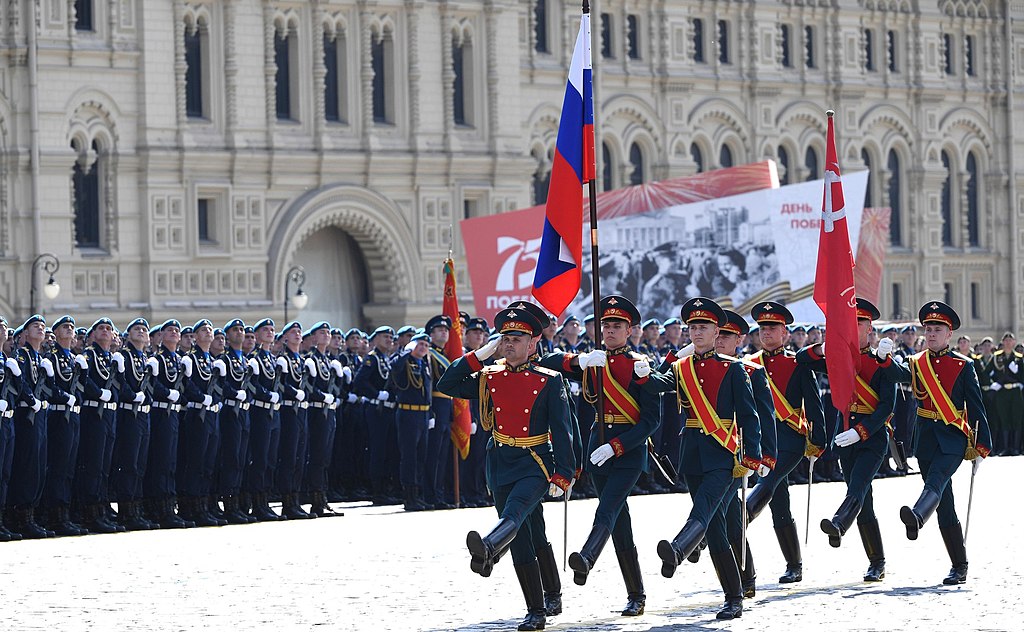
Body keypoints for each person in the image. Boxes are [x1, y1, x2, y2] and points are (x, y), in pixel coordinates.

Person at [437, 307, 574, 632]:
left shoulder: (549, 380)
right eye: (505, 338)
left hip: (535, 463)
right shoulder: (490, 377)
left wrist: (565, 473)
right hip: (500, 463)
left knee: (514, 516)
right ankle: (550, 594)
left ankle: (492, 553)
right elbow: (448, 381)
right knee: (530, 532)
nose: (509, 344)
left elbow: (565, 431)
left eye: (517, 339)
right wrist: (481, 354)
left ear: (533, 342)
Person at [545, 295, 665, 617]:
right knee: (620, 523)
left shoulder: (640, 365)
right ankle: (637, 594)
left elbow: (651, 421)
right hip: (597, 449)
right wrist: (579, 362)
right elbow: (549, 361)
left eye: (617, 326)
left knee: (608, 507)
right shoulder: (593, 360)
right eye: (606, 325)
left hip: (627, 451)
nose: (610, 330)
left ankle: (586, 557)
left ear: (629, 331)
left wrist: (617, 446)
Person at [653, 297, 762, 620]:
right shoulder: (681, 367)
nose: (697, 332)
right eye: (693, 327)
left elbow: (749, 415)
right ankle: (735, 594)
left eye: (703, 327)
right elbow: (659, 385)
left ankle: (679, 549)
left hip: (724, 455)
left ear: (717, 332)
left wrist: (753, 456)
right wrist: (646, 371)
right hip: (693, 456)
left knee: (703, 510)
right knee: (716, 529)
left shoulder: (733, 369)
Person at [797, 298, 900, 582]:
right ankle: (876, 561)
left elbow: (886, 406)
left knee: (858, 486)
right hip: (844, 436)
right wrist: (823, 347)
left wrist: (862, 431)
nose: (854, 328)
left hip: (872, 437)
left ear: (870, 329)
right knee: (864, 501)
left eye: (859, 323)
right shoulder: (839, 358)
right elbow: (801, 360)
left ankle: (840, 523)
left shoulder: (883, 360)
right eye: (850, 322)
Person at [895, 301, 991, 585]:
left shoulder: (963, 365)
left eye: (938, 329)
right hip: (925, 438)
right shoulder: (916, 363)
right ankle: (959, 565)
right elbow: (893, 375)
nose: (932, 333)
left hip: (953, 438)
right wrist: (883, 358)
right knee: (945, 503)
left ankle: (917, 515)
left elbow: (976, 407)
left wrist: (982, 445)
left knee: (935, 482)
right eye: (929, 329)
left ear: (949, 335)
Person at [742, 301, 825, 585]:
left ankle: (741, 518)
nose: (766, 333)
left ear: (785, 332)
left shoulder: (797, 364)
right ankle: (794, 564)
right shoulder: (749, 364)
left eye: (772, 327)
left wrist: (818, 440)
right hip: (761, 440)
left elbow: (814, 405)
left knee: (767, 481)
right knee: (779, 501)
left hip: (789, 440)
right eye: (762, 328)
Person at [717, 309, 777, 598]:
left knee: (728, 515)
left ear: (738, 340)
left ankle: (743, 577)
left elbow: (765, 416)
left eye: (726, 335)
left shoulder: (750, 371)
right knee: (730, 518)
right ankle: (745, 575)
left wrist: (766, 456)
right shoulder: (698, 367)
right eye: (718, 333)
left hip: (737, 455)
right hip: (709, 454)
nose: (719, 339)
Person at [39, 315, 86, 536]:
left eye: (71, 327)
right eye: (64, 327)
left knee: (69, 467)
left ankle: (64, 514)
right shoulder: (52, 357)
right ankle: (55, 515)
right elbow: (49, 388)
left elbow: (83, 388)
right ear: (55, 333)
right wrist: (63, 397)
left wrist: (83, 371)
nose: (69, 330)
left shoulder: (75, 358)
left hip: (73, 416)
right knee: (58, 466)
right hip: (59, 416)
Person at [144, 319, 192, 529]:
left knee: (171, 462)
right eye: (169, 330)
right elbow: (150, 386)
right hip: (161, 413)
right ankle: (159, 509)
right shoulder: (157, 359)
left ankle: (168, 507)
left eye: (176, 330)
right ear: (161, 336)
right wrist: (167, 393)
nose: (173, 333)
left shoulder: (180, 361)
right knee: (162, 462)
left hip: (174, 414)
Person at [110, 317, 157, 531]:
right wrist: (131, 395)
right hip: (129, 414)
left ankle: (136, 509)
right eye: (136, 329)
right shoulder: (123, 356)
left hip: (144, 415)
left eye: (144, 329)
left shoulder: (146, 359)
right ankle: (127, 511)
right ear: (128, 335)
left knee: (140, 464)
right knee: (129, 464)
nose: (141, 332)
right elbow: (119, 384)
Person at [352, 326, 399, 506]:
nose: (389, 340)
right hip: (376, 410)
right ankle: (377, 491)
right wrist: (376, 394)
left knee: (388, 450)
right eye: (385, 337)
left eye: (390, 337)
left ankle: (386, 489)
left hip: (387, 410)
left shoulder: (385, 359)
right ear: (376, 339)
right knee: (378, 450)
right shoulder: (372, 359)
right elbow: (359, 381)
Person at [387, 332, 432, 511]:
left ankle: (418, 494)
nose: (423, 348)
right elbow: (394, 369)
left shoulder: (425, 364)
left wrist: (432, 413)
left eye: (426, 345)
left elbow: (428, 390)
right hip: (408, 413)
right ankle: (409, 497)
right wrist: (406, 353)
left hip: (423, 415)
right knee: (409, 457)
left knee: (421, 457)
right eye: (420, 344)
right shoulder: (404, 361)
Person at [215, 319, 253, 524]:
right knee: (231, 459)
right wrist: (234, 393)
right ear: (227, 336)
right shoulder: (225, 360)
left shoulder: (246, 360)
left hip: (244, 413)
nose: (240, 333)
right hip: (230, 412)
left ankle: (238, 502)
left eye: (242, 329)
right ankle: (229, 504)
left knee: (241, 458)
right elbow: (220, 386)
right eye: (235, 330)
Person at [275, 321, 312, 519]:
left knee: (300, 456)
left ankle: (295, 499)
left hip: (302, 412)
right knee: (289, 457)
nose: (298, 335)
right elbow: (280, 385)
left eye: (299, 331)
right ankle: (287, 502)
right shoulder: (283, 360)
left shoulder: (302, 360)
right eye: (293, 332)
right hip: (289, 411)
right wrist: (294, 392)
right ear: (285, 338)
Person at [302, 321, 340, 516]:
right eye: (321, 333)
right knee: (317, 456)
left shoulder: (328, 360)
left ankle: (323, 498)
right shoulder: (310, 359)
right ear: (313, 338)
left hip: (329, 411)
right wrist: (321, 395)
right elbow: (306, 386)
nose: (326, 335)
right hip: (317, 411)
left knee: (325, 458)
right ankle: (316, 500)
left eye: (328, 332)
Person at [424, 315, 455, 509]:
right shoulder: (430, 354)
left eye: (446, 330)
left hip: (446, 407)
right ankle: (430, 495)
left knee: (443, 455)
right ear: (431, 334)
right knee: (433, 455)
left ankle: (439, 494)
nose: (444, 332)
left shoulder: (445, 355)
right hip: (435, 405)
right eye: (439, 329)